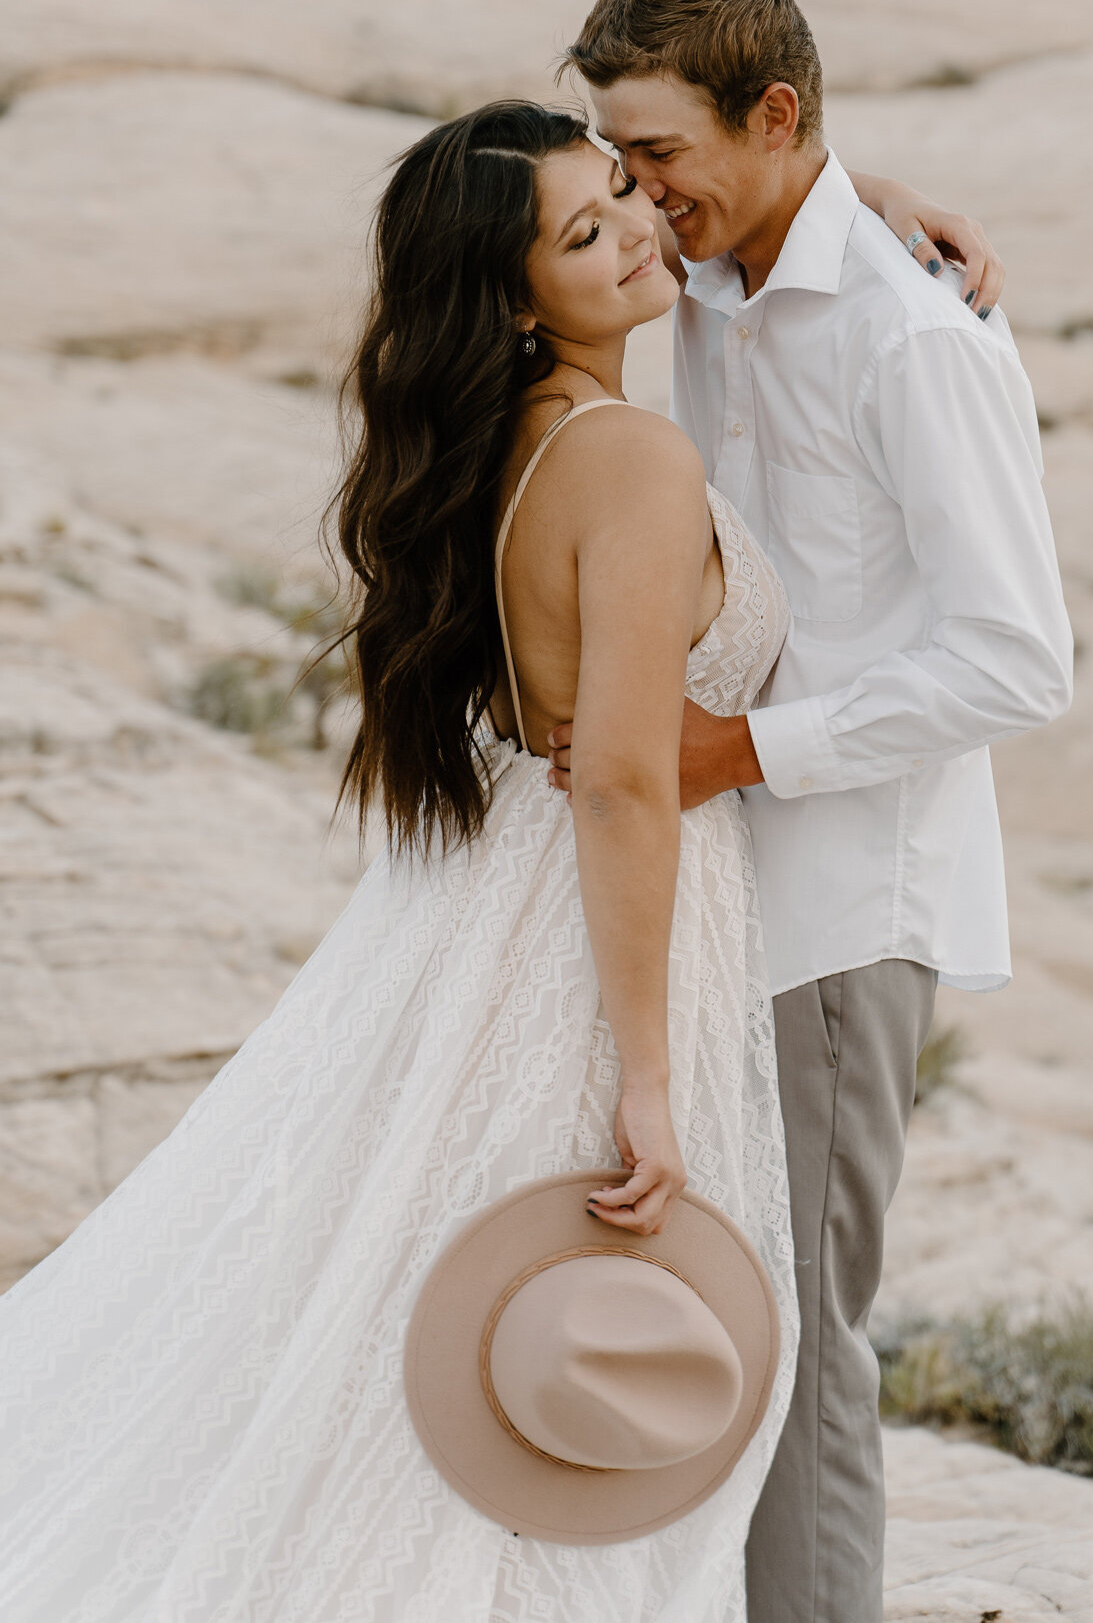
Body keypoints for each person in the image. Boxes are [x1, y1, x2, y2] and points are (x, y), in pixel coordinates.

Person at [0, 99, 976, 1621]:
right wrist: (649, 1073)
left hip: (507, 907)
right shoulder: (633, 460)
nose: (642, 230)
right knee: (581, 1305)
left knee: (472, 1309)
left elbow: (677, 214)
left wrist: (863, 199)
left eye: (624, 197)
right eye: (587, 234)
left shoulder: (516, 440)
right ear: (521, 299)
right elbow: (632, 787)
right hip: (614, 926)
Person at [550, 0, 1074, 1623]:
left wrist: (735, 750)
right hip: (711, 885)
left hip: (842, 904)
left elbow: (1018, 659)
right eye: (618, 161)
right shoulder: (701, 272)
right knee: (696, 1303)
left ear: (772, 116)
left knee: (794, 1325)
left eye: (664, 156)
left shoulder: (921, 339)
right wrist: (838, 190)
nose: (638, 194)